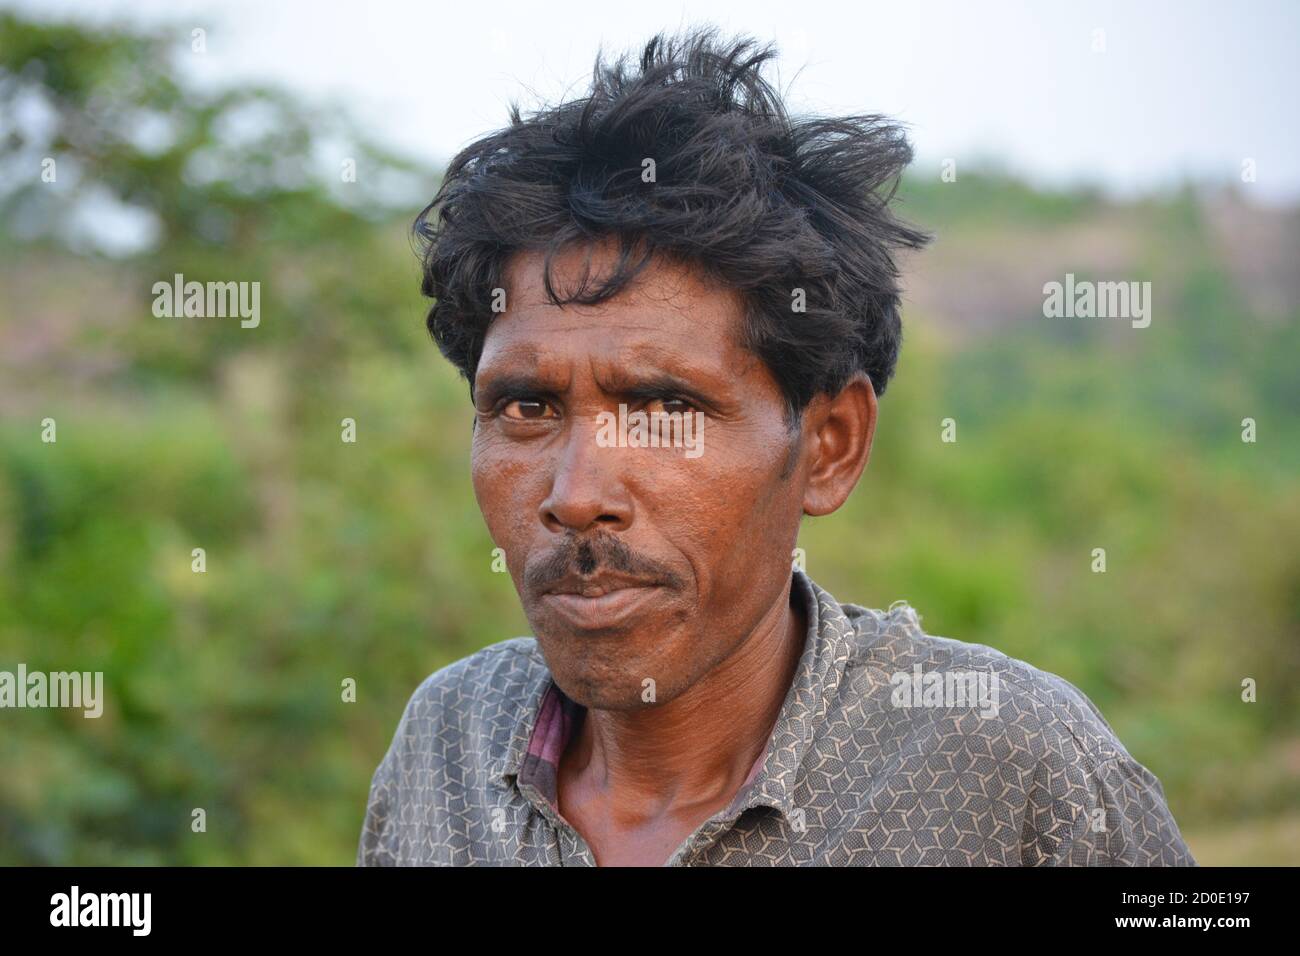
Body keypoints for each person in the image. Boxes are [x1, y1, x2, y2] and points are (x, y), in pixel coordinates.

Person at [357, 26, 1195, 866]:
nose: (575, 496)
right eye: (527, 406)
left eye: (665, 408)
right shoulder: (447, 742)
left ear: (829, 447)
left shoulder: (1006, 769)